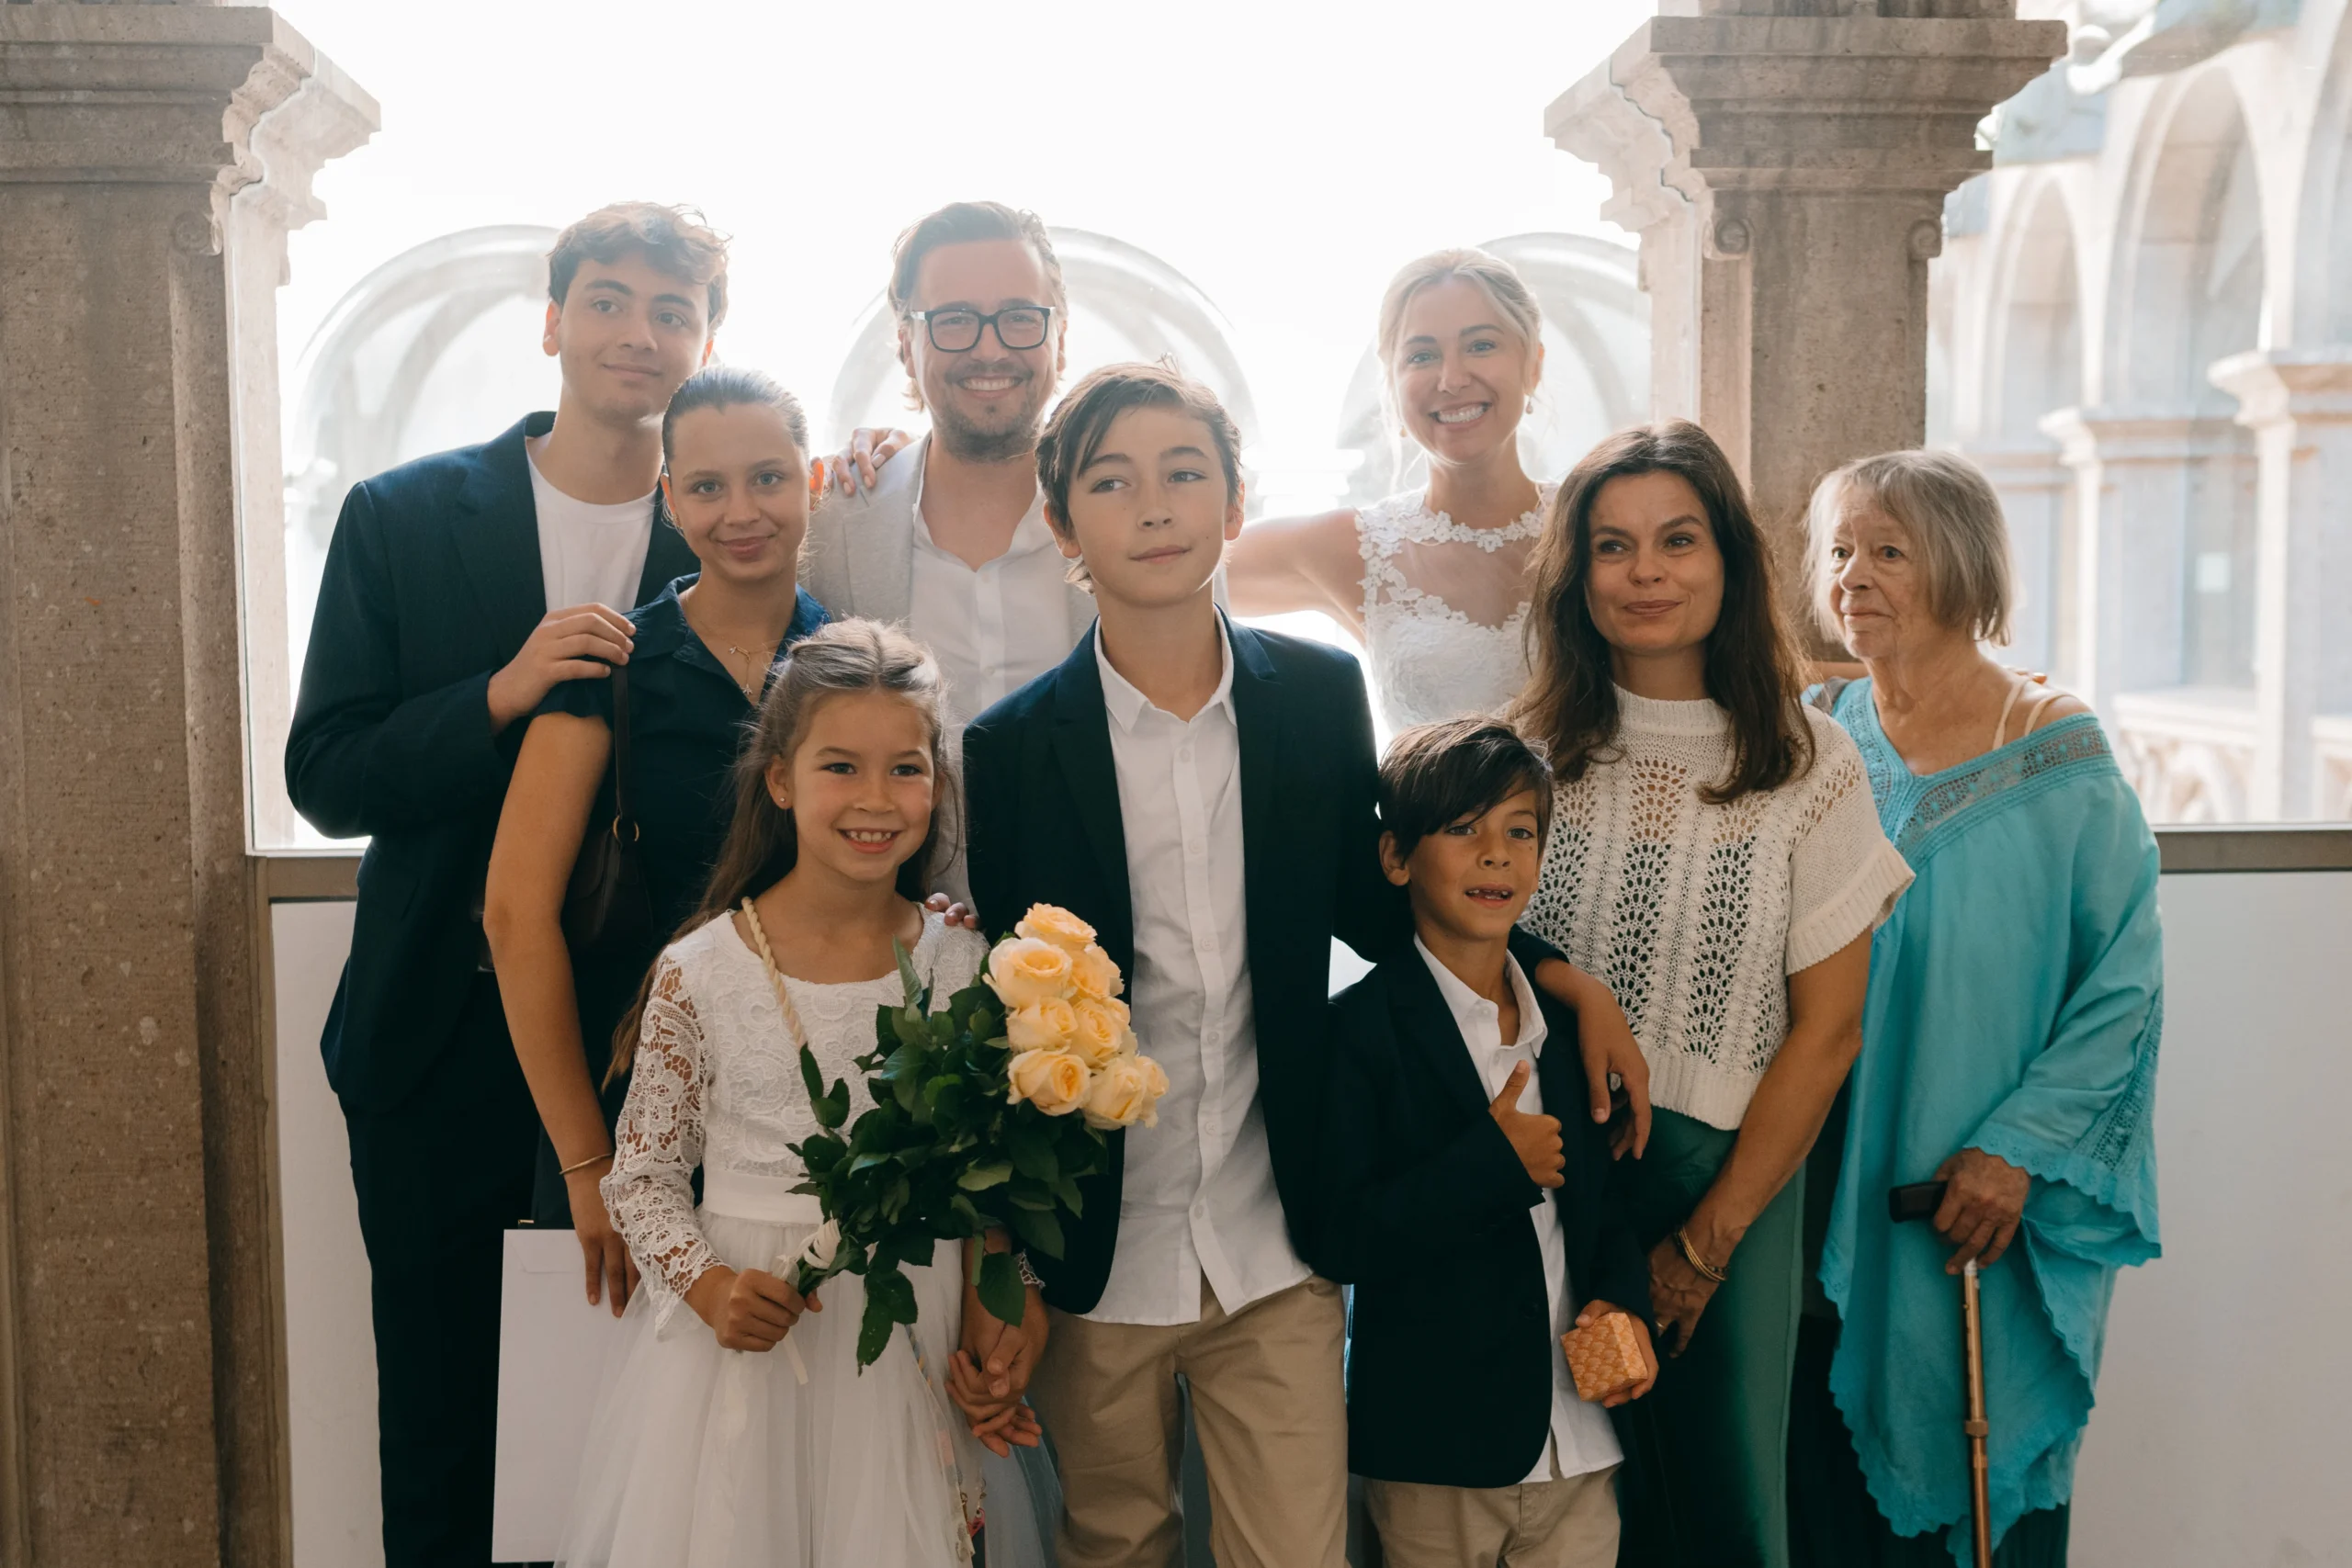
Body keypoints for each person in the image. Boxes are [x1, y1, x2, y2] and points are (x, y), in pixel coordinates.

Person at [956, 363, 1642, 1568]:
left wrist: (1559, 974)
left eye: (1185, 474)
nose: (1155, 506)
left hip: (1280, 1231)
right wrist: (1003, 1256)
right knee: (1114, 1536)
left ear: (1235, 505)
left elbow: (1387, 907)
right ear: (1062, 523)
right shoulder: (1010, 749)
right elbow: (1001, 1025)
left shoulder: (1318, 699)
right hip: (1101, 1245)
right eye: (1113, 482)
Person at [284, 201, 722, 1565]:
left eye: (670, 310)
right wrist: (498, 693)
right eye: (607, 300)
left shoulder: (738, 517)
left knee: (657, 1416)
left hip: (662, 1050)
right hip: (436, 1033)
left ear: (705, 340)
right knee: (442, 1415)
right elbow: (330, 772)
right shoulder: (402, 515)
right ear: (552, 322)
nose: (636, 333)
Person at [1509, 421, 1914, 1568]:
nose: (1645, 573)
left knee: (1725, 1517)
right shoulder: (1520, 750)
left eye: (1677, 541)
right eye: (1612, 546)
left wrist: (1703, 1246)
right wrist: (1573, 988)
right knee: (1557, 1513)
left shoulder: (1802, 757)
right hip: (1548, 1184)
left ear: (1729, 560)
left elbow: (1828, 1032)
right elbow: (1454, 952)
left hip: (1725, 1180)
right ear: (1574, 574)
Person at [561, 618, 1037, 1568]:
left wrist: (1007, 1287)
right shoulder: (700, 972)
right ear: (779, 779)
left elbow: (992, 1176)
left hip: (909, 1338)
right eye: (839, 768)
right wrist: (707, 1287)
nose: (876, 800)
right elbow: (643, 1178)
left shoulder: (969, 965)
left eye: (906, 768)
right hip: (744, 1348)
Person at [1787, 450, 2161, 1568]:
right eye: (1841, 550)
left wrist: (2014, 1152)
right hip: (1808, 1189)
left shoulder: (2056, 752)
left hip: (1968, 1201)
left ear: (1959, 568)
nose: (1853, 575)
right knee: (1815, 1493)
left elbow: (2124, 990)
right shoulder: (1811, 736)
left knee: (1978, 1485)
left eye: (1888, 551)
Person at [483, 366, 829, 1297]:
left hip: (824, 1123)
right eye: (707, 487)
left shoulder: (857, 671)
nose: (741, 511)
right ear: (670, 501)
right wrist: (588, 1166)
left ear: (816, 481)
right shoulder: (607, 670)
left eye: (768, 477)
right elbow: (515, 916)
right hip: (627, 1116)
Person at [1319, 717, 1657, 1568]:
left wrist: (1620, 1302)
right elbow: (1341, 1234)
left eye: (1519, 831)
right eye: (1464, 829)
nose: (1496, 854)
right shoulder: (1360, 1030)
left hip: (1581, 1437)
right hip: (1438, 1453)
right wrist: (1489, 1169)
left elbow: (1609, 1206)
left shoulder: (1569, 1023)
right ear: (1397, 858)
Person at [1226, 247, 1554, 732]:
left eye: (1481, 345)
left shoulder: (1597, 518)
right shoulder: (1356, 547)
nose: (1452, 378)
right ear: (1393, 386)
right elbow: (1154, 578)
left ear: (1533, 366)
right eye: (1422, 355)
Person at [805, 200, 1094, 746]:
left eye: (1019, 317)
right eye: (954, 319)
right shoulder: (829, 529)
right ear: (906, 344)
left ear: (1059, 339)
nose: (990, 349)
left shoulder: (1126, 521)